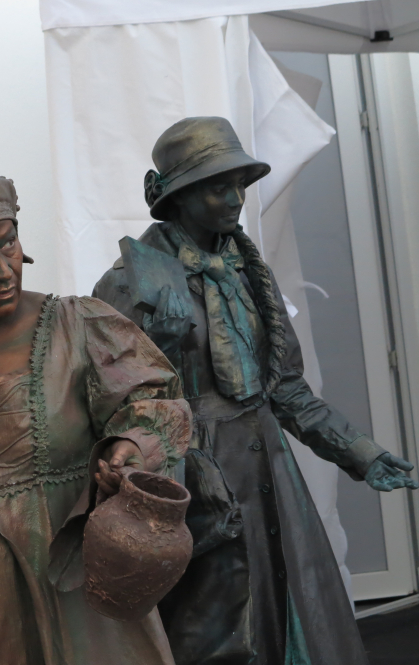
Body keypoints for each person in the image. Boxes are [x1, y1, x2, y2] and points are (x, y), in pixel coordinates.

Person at [92, 116, 418, 665]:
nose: (235, 199)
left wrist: (359, 451)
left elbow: (286, 389)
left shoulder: (246, 272)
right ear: (178, 195)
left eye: (239, 184)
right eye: (218, 187)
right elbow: (114, 402)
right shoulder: (132, 282)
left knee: (297, 612)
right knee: (215, 628)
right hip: (194, 480)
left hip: (270, 470)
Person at [0, 173, 192, 665]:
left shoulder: (76, 325)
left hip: (68, 578)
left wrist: (129, 445)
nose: (3, 270)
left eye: (9, 243)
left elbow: (152, 398)